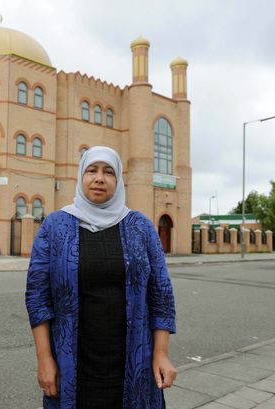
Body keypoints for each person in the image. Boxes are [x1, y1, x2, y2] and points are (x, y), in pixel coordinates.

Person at [25, 146, 177, 409]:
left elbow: (161, 293)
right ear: (81, 176)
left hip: (135, 359)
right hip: (73, 361)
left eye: (108, 172)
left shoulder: (140, 227)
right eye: (91, 170)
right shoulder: (55, 226)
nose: (99, 178)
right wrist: (45, 359)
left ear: (118, 180)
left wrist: (161, 354)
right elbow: (38, 297)